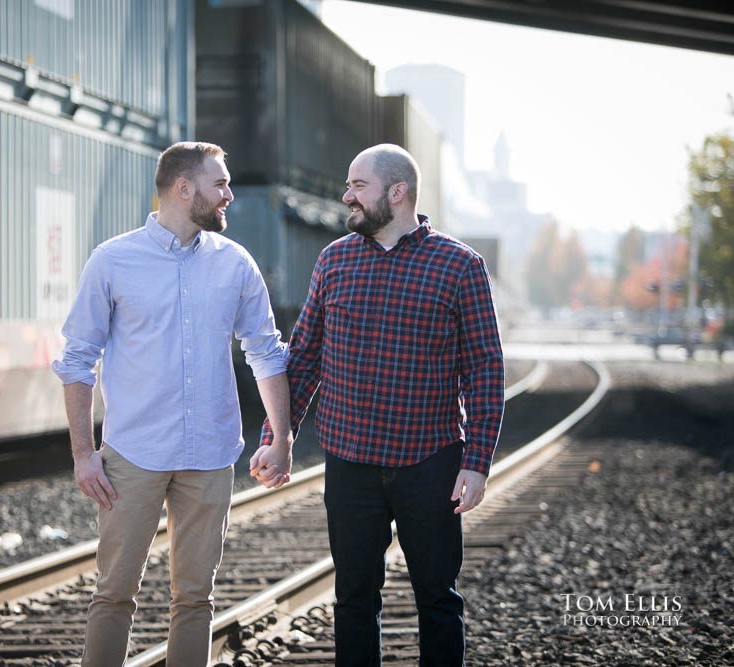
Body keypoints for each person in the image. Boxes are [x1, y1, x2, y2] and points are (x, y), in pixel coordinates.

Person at [255, 144, 504, 666]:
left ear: (398, 193)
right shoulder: (335, 261)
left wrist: (476, 463)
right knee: (352, 602)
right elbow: (303, 359)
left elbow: (484, 369)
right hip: (350, 466)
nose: (346, 196)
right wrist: (279, 440)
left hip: (430, 463)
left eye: (358, 186)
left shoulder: (460, 267)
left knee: (437, 601)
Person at [52, 141, 293, 667]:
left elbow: (267, 351)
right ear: (184, 190)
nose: (229, 195)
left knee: (196, 599)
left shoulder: (235, 263)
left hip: (209, 454)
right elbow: (76, 360)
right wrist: (82, 453)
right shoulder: (113, 260)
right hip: (133, 454)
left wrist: (282, 437)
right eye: (220, 184)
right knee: (114, 593)